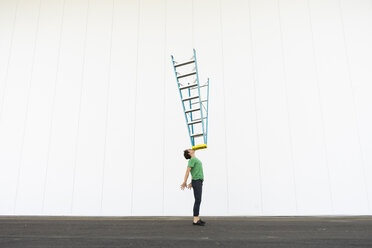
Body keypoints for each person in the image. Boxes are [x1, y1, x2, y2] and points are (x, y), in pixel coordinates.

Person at [180, 148, 206, 226]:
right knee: (198, 200)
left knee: (198, 200)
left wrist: (191, 182)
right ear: (189, 153)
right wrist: (185, 182)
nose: (191, 148)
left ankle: (197, 218)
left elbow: (194, 171)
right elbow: (188, 171)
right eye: (189, 149)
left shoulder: (194, 159)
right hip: (197, 181)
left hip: (197, 181)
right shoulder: (192, 160)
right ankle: (195, 220)